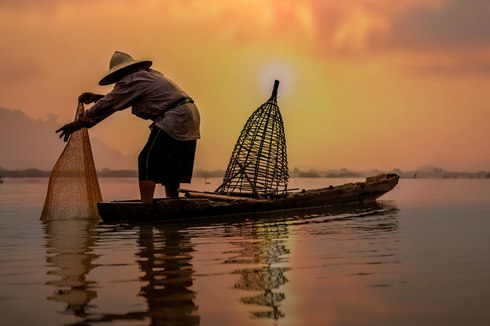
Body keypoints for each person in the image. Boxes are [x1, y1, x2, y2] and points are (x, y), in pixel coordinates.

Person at [56, 51, 200, 203]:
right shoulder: (149, 75)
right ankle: (173, 203)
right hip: (189, 114)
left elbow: (109, 104)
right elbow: (123, 98)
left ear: (122, 71)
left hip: (174, 117)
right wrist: (98, 98)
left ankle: (146, 207)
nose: (118, 80)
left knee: (146, 160)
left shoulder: (132, 79)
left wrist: (76, 124)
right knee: (171, 163)